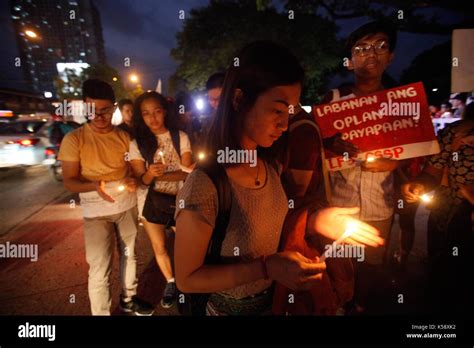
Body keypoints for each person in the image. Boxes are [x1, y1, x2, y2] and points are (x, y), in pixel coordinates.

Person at [174, 40, 383, 316]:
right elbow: (187, 279)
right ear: (238, 100)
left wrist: (318, 220)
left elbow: (275, 225)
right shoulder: (206, 184)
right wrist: (267, 267)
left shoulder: (269, 166)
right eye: (277, 110)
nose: (285, 126)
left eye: (290, 112)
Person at [320, 20, 401, 314]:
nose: (372, 54)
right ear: (350, 60)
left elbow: (413, 153)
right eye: (362, 48)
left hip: (380, 206)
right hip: (341, 205)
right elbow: (314, 145)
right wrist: (332, 145)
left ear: (390, 56)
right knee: (340, 268)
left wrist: (397, 160)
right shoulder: (335, 100)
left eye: (381, 46)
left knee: (370, 269)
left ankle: (361, 306)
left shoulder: (401, 103)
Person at [58, 79, 153, 316]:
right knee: (100, 266)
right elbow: (69, 180)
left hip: (126, 206)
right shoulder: (74, 139)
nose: (100, 117)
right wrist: (94, 186)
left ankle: (128, 298)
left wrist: (134, 179)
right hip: (95, 213)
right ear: (85, 107)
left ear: (114, 108)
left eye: (106, 111)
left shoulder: (124, 137)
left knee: (130, 255)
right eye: (93, 111)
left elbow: (137, 171)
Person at [402, 102, 474, 313]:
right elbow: (433, 171)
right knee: (446, 279)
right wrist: (420, 184)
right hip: (450, 220)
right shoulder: (454, 133)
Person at [129, 91, 193, 308]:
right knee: (159, 247)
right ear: (141, 116)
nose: (152, 118)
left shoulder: (180, 137)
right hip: (151, 202)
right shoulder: (136, 143)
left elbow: (187, 172)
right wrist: (150, 174)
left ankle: (189, 281)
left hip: (180, 201)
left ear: (164, 112)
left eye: (156, 111)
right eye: (146, 114)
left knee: (187, 245)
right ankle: (171, 282)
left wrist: (160, 175)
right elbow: (141, 181)